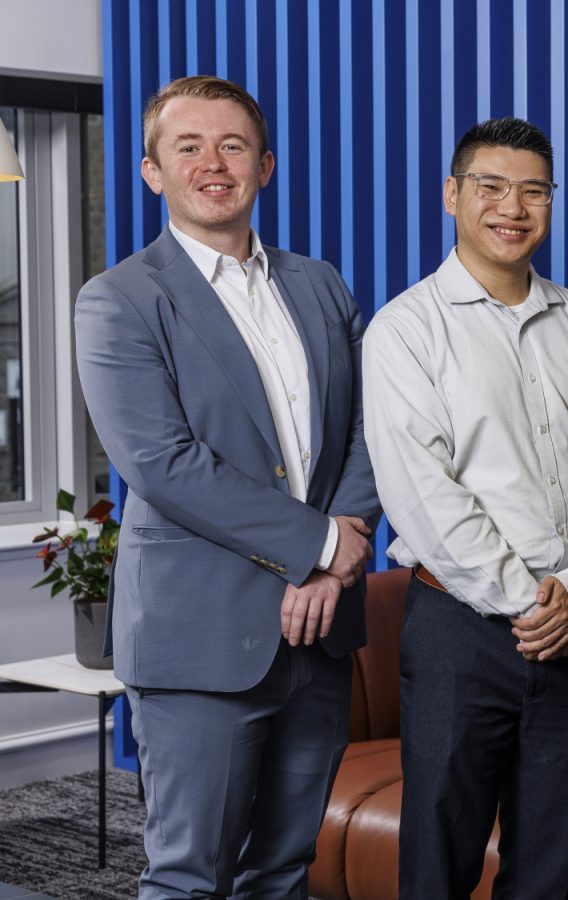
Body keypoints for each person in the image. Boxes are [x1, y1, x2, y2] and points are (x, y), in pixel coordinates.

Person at [74, 75, 378, 898]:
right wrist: (319, 548)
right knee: (188, 877)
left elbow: (367, 431)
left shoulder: (320, 286)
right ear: (152, 172)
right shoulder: (120, 301)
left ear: (266, 165)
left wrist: (341, 554)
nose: (214, 163)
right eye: (189, 146)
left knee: (283, 871)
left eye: (233, 145)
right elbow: (162, 463)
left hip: (319, 638)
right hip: (199, 636)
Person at [363, 117, 568, 899]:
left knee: (548, 858)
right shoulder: (406, 329)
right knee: (438, 854)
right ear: (452, 195)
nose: (513, 206)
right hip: (458, 633)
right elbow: (423, 493)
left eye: (533, 190)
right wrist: (525, 601)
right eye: (491, 187)